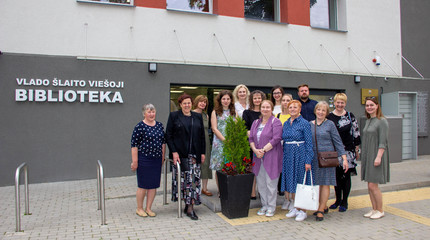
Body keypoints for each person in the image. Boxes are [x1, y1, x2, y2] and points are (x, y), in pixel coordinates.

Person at [166, 94, 206, 220]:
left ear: (192, 104)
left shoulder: (197, 117)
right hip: (180, 155)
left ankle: (190, 207)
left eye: (189, 103)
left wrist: (203, 153)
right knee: (183, 182)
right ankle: (186, 203)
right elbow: (168, 135)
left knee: (193, 181)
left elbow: (202, 137)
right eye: (184, 103)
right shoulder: (174, 116)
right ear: (180, 104)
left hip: (194, 155)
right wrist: (174, 152)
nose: (187, 105)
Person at [310, 101, 348, 221]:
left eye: (323, 110)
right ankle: (323, 205)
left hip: (327, 158)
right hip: (314, 158)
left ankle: (320, 209)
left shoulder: (330, 124)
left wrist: (344, 158)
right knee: (317, 183)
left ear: (326, 113)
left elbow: (337, 141)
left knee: (325, 183)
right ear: (315, 111)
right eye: (319, 110)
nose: (320, 112)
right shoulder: (310, 124)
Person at [327, 93, 361, 212]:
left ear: (345, 103)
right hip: (334, 151)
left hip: (348, 151)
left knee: (346, 177)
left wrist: (357, 150)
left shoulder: (350, 116)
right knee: (336, 177)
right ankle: (337, 200)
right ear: (334, 103)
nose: (340, 104)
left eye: (342, 102)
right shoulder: (329, 116)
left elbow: (356, 132)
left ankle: (345, 201)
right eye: (338, 102)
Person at [131, 104, 166, 218]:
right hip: (144, 159)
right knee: (143, 185)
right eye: (149, 112)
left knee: (153, 185)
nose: (151, 114)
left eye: (153, 112)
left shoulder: (159, 125)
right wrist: (135, 161)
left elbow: (163, 143)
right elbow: (134, 145)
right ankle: (139, 208)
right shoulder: (139, 127)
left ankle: (148, 208)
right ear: (144, 114)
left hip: (156, 159)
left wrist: (162, 157)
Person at [249, 100, 283, 217]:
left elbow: (276, 139)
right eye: (263, 107)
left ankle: (271, 207)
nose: (265, 109)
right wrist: (255, 150)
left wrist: (263, 150)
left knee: (271, 183)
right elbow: (251, 139)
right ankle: (264, 205)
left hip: (271, 156)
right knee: (261, 183)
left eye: (267, 107)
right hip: (258, 157)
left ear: (272, 108)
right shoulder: (255, 123)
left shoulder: (276, 122)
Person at [282, 100, 314, 222]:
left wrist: (308, 160)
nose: (292, 109)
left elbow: (309, 143)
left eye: (295, 107)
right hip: (289, 155)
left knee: (301, 182)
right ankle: (296, 207)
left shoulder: (305, 123)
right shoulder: (286, 123)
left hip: (300, 155)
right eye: (290, 107)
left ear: (300, 109)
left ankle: (303, 210)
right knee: (292, 182)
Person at [361, 97, 389, 220]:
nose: (369, 107)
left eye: (372, 105)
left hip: (376, 155)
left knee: (373, 185)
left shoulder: (382, 121)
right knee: (369, 185)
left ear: (377, 106)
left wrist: (378, 157)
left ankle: (380, 210)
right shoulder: (368, 120)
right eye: (367, 105)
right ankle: (374, 209)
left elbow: (383, 142)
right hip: (368, 155)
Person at [210, 90, 236, 195]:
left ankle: (230, 189)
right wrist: (225, 140)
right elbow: (214, 129)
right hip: (219, 144)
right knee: (219, 168)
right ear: (220, 100)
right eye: (223, 99)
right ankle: (221, 191)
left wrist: (232, 140)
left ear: (231, 100)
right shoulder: (215, 112)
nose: (226, 101)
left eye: (228, 99)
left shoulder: (234, 112)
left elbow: (236, 127)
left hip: (231, 143)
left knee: (230, 166)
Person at [243, 90, 266, 200]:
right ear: (252, 100)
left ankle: (262, 191)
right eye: (255, 98)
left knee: (263, 169)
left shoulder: (266, 112)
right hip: (251, 145)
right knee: (252, 169)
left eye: (259, 98)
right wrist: (257, 134)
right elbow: (245, 130)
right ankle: (252, 192)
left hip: (264, 146)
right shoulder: (247, 113)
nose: (257, 100)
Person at [192, 95, 213, 197]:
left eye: (205, 102)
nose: (203, 104)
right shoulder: (191, 114)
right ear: (196, 102)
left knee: (205, 165)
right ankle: (194, 187)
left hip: (205, 142)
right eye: (201, 101)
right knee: (194, 165)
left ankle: (204, 188)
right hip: (194, 142)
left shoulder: (206, 116)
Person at [277, 94, 292, 200]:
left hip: (291, 147)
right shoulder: (277, 115)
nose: (285, 102)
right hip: (280, 146)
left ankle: (290, 195)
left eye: (288, 100)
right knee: (280, 168)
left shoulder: (296, 115)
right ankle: (281, 188)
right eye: (284, 100)